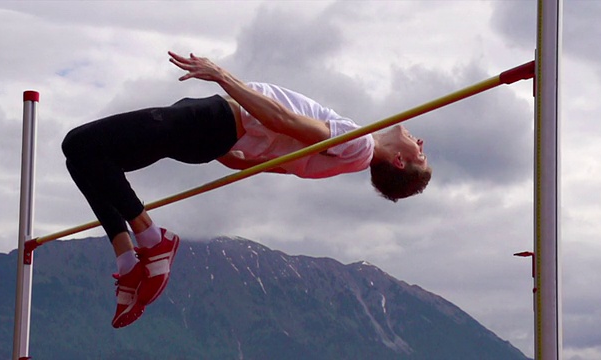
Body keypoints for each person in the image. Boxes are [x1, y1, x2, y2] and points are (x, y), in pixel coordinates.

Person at [61, 51, 432, 328]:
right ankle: (128, 261)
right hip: (212, 132)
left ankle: (152, 239)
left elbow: (282, 119)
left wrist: (222, 75)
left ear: (399, 162)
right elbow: (279, 162)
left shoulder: (358, 146)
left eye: (420, 154)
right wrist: (229, 155)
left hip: (215, 122)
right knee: (83, 159)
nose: (421, 142)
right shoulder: (348, 159)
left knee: (79, 146)